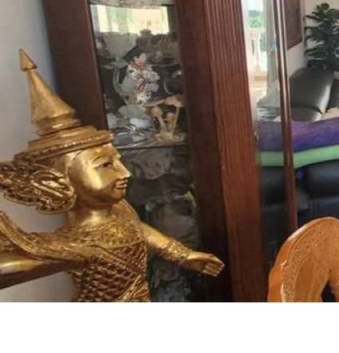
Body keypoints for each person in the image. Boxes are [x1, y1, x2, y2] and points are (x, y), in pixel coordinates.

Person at [0, 51, 223, 301]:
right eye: (106, 165)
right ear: (56, 182)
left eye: (117, 161)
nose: (124, 172)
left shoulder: (118, 212)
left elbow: (138, 230)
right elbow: (17, 265)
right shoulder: (76, 243)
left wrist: (183, 255)